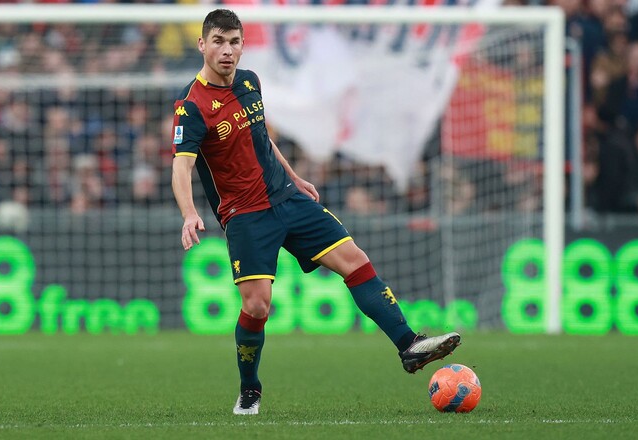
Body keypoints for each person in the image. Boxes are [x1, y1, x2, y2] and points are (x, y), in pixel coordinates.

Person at [170, 9, 461, 416]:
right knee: (257, 307)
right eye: (218, 41)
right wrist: (189, 213)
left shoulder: (250, 82)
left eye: (234, 42)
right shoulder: (192, 106)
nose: (227, 50)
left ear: (242, 45)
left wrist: (295, 176)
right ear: (203, 45)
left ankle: (409, 345)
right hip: (246, 215)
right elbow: (181, 167)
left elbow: (261, 138)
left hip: (289, 198)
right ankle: (250, 388)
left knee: (355, 260)